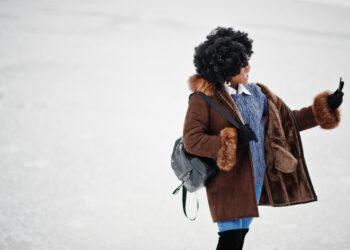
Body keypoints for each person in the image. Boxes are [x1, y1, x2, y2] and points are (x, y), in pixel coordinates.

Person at [182, 27, 344, 250]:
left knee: (240, 235)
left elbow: (287, 122)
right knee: (230, 238)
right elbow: (192, 140)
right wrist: (232, 140)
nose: (248, 67)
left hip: (256, 178)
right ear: (226, 69)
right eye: (242, 63)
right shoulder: (204, 100)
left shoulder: (258, 94)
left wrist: (326, 107)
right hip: (226, 180)